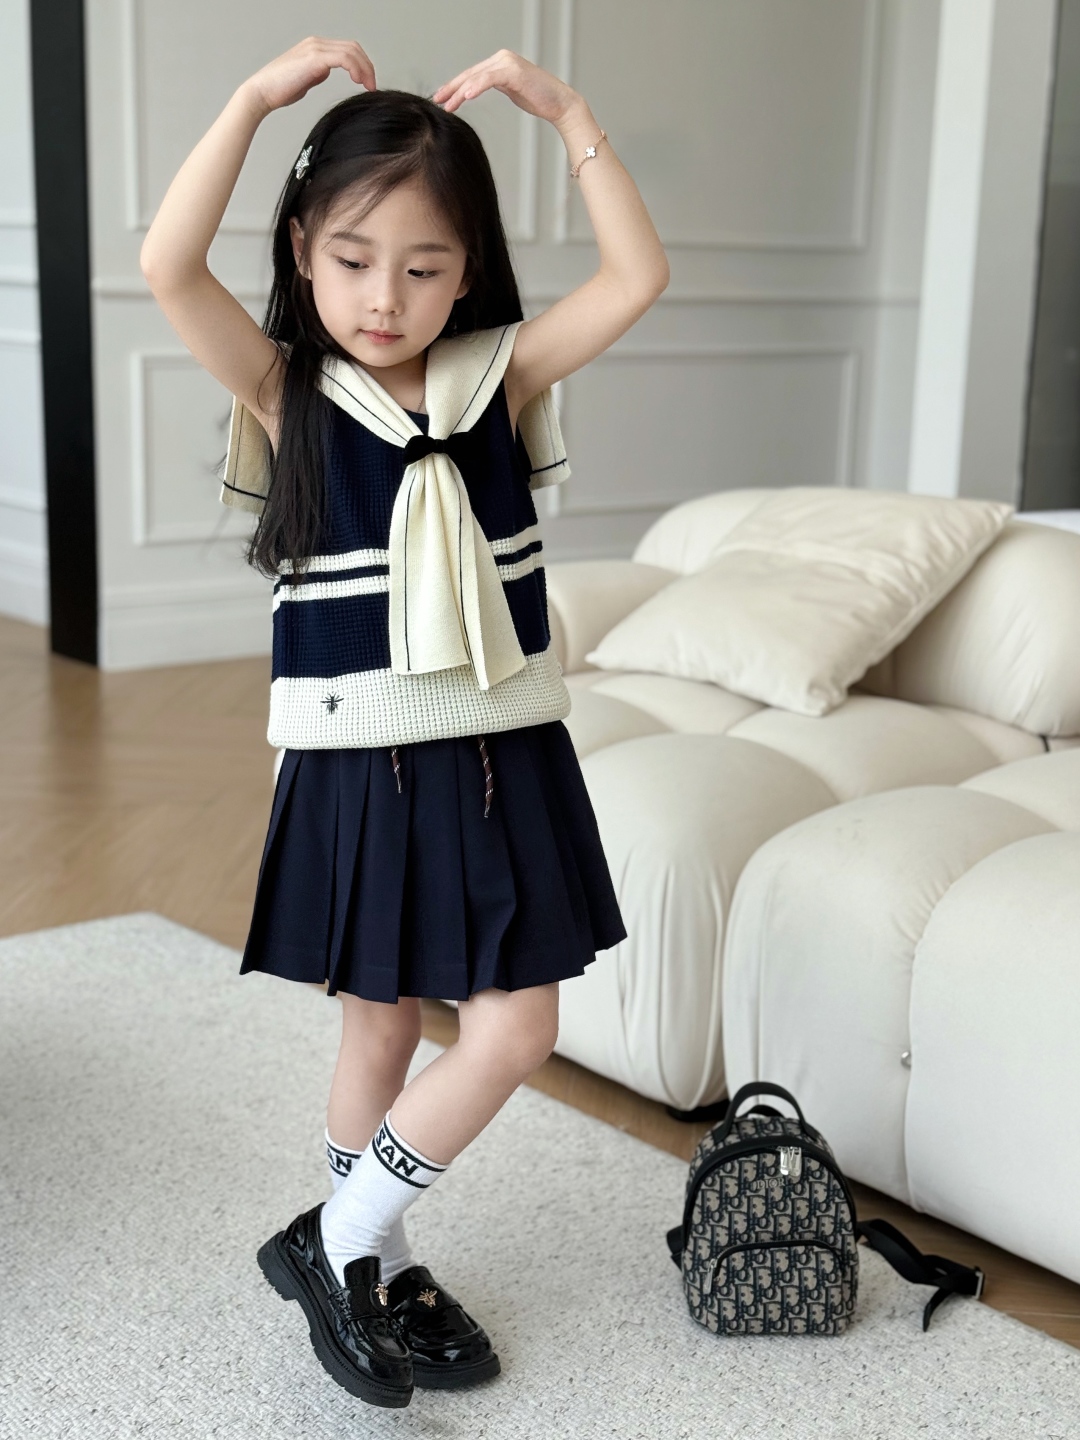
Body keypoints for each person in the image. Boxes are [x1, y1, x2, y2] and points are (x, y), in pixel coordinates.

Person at [141, 35, 668, 1411]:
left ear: (470, 269)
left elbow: (636, 277)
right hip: (354, 760)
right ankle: (371, 1258)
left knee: (515, 1026)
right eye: (354, 259)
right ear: (304, 250)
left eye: (426, 268)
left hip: (496, 753)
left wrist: (570, 109)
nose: (387, 298)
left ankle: (342, 1235)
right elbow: (168, 265)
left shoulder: (503, 377)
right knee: (376, 1036)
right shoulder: (290, 395)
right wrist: (251, 102)